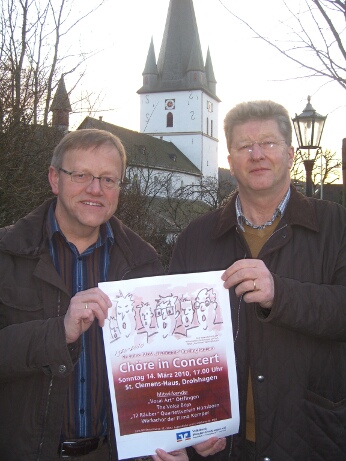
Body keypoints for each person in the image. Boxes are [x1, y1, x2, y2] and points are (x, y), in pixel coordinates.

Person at [169, 100, 346, 460]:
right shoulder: (196, 237)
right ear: (230, 160)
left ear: (290, 153)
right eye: (244, 146)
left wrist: (281, 295)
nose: (257, 154)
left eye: (268, 142)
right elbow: (173, 344)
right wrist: (185, 430)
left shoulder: (337, 226)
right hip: (221, 444)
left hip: (310, 436)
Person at [0, 129, 188, 461]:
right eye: (81, 175)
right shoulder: (8, 253)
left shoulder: (143, 262)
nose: (95, 189)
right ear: (55, 179)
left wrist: (182, 434)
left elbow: (161, 367)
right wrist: (59, 332)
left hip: (114, 453)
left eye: (108, 179)